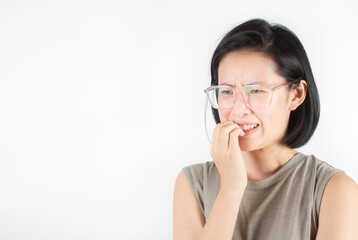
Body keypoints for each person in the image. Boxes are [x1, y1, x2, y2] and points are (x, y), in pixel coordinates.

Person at [173, 18, 358, 240]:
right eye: (226, 91)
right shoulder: (193, 183)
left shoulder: (335, 190)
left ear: (296, 95)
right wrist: (231, 188)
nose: (238, 110)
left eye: (257, 91)